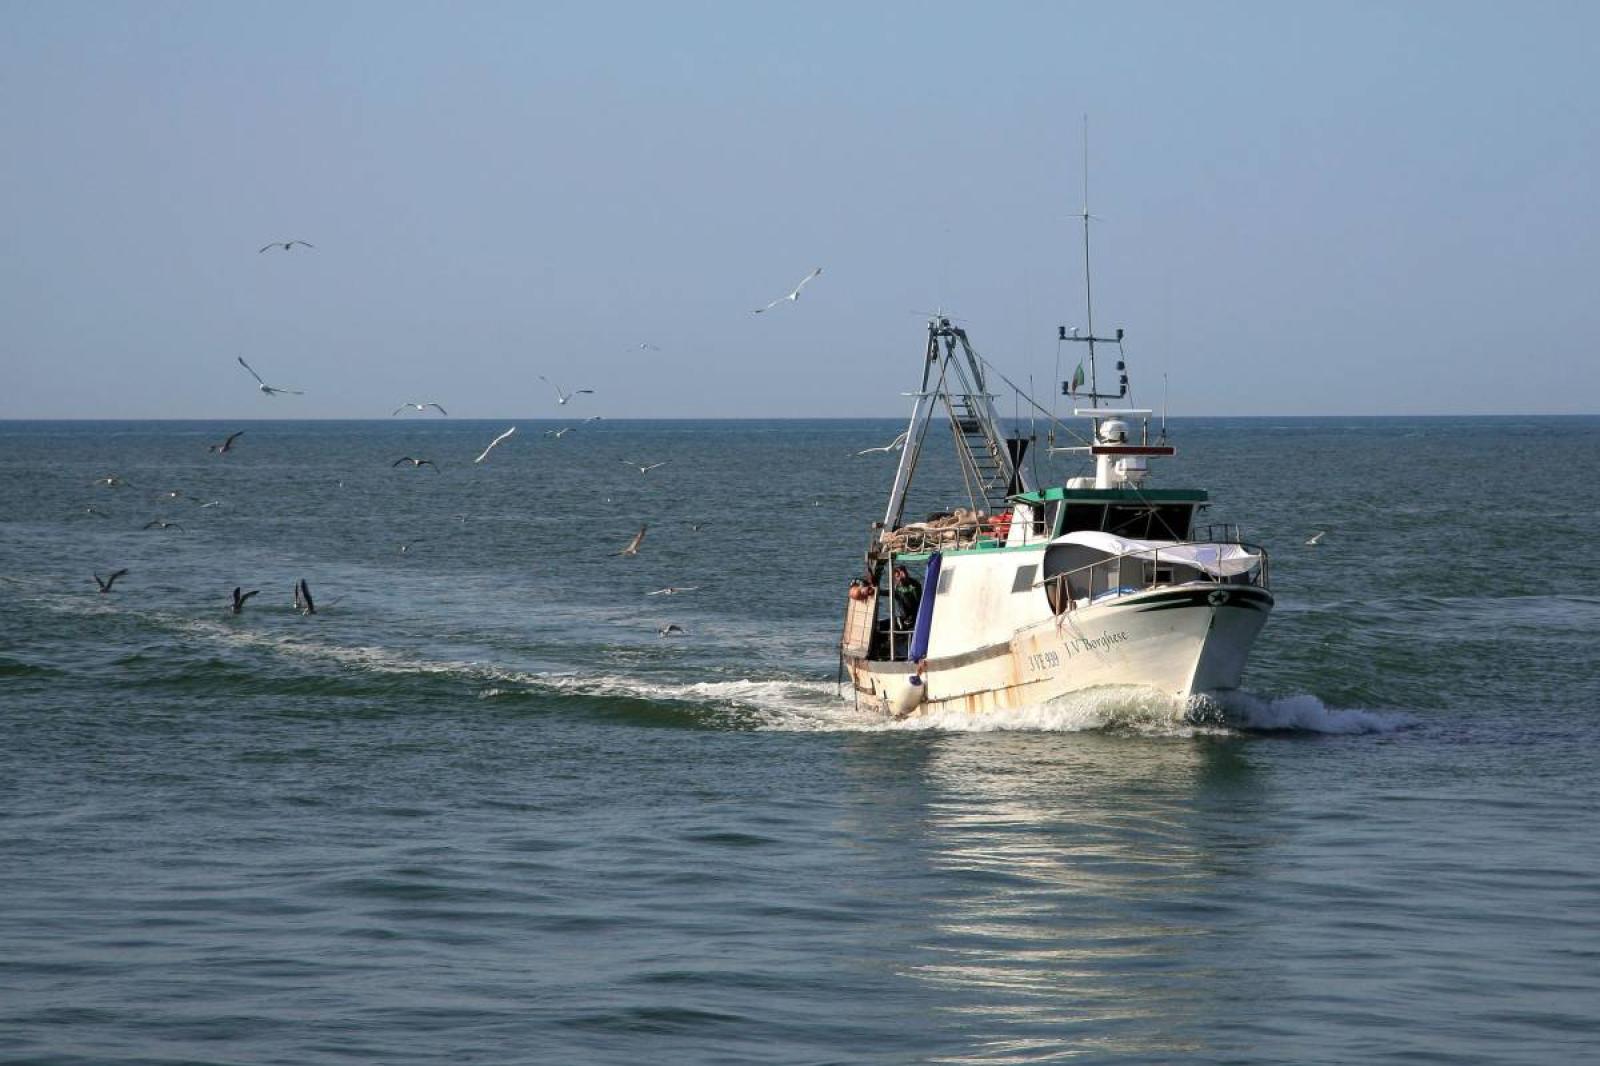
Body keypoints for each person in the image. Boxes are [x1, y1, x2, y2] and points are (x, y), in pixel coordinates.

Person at [891, 564, 922, 630]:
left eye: (901, 575)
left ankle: (907, 620)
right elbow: (890, 593)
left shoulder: (913, 584)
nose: (899, 578)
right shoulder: (897, 586)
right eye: (897, 577)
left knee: (903, 596)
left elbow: (918, 600)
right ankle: (902, 620)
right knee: (898, 595)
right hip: (903, 615)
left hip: (914, 614)